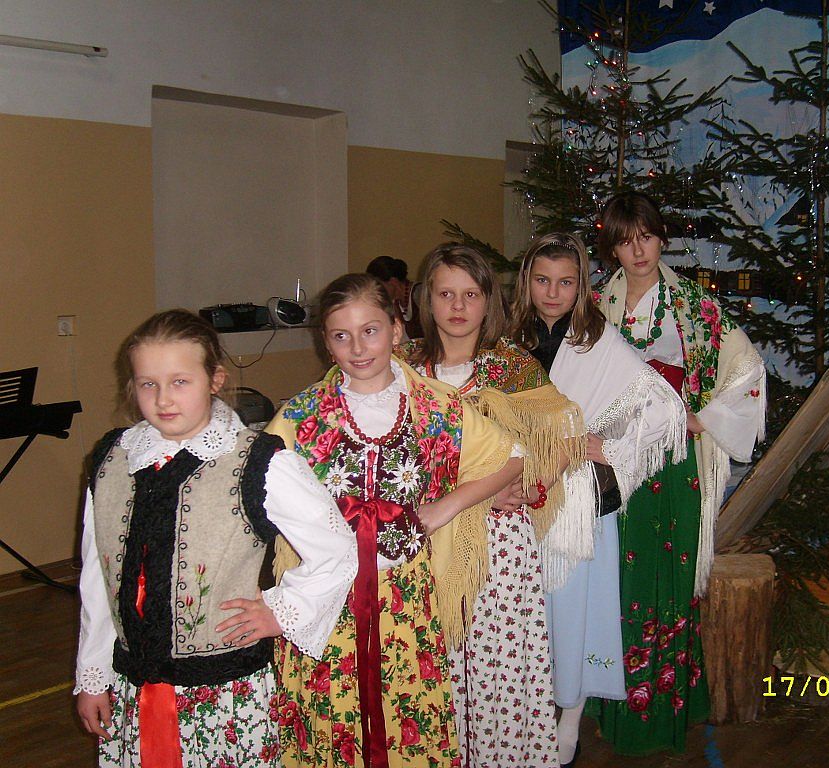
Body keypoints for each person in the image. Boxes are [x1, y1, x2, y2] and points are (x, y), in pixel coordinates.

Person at [75, 309, 360, 768]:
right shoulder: (112, 460)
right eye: (148, 384)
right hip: (133, 688)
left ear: (215, 379)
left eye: (180, 382)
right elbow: (98, 577)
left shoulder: (257, 462)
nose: (163, 399)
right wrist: (93, 676)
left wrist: (281, 611)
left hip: (223, 697)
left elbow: (337, 549)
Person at [268, 273, 523, 768]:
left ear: (396, 329)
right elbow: (258, 486)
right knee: (332, 718)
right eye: (341, 336)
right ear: (326, 343)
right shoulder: (302, 417)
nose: (357, 348)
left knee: (407, 716)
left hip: (406, 600)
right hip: (327, 597)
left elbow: (510, 457)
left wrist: (444, 508)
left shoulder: (437, 407)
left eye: (370, 331)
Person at [588, 192, 766, 755]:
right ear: (612, 249)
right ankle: (612, 703)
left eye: (646, 236)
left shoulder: (694, 305)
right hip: (616, 458)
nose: (638, 251)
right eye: (625, 241)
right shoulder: (595, 304)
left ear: (661, 237)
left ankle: (664, 707)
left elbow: (747, 366)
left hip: (673, 458)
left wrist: (702, 416)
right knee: (619, 577)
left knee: (670, 575)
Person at [398, 243, 584, 768]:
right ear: (427, 300)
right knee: (431, 660)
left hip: (497, 548)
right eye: (446, 294)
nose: (458, 307)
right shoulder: (403, 366)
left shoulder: (512, 366)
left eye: (471, 294)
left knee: (494, 666)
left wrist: (532, 483)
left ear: (489, 300)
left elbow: (566, 432)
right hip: (423, 538)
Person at [508, 232, 689, 766]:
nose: (553, 292)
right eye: (542, 280)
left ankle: (569, 718)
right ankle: (525, 712)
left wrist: (607, 447)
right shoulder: (508, 339)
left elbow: (664, 408)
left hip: (577, 504)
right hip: (513, 494)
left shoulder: (597, 340)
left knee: (574, 608)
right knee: (526, 609)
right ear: (526, 281)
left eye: (565, 282)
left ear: (581, 285)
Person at [367, 255, 423, 339]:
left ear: (393, 282)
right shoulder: (395, 304)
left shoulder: (420, 293)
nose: (377, 291)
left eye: (379, 286)